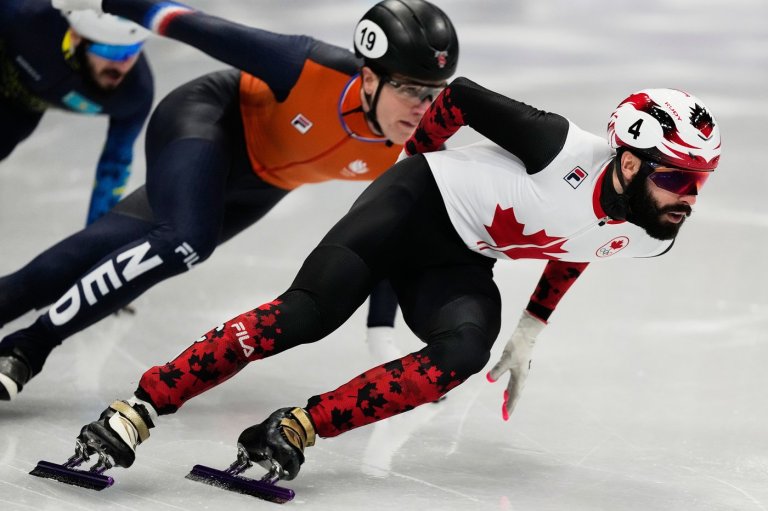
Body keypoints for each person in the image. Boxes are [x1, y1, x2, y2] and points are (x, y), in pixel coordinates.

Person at [68, 79, 721, 482]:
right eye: (676, 178)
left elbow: (588, 241)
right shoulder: (556, 145)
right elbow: (460, 95)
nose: (688, 197)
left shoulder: (650, 228)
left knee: (463, 351)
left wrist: (532, 325)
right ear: (628, 161)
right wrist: (413, 166)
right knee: (306, 315)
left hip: (460, 257)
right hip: (411, 203)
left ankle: (294, 427)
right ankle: (140, 407)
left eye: (699, 183)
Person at [0, 0, 459, 401]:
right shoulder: (306, 65)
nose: (424, 108)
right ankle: (27, 348)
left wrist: (381, 334)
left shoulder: (417, 149)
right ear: (367, 79)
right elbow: (187, 22)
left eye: (434, 93)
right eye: (409, 89)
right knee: (186, 241)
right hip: (207, 121)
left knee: (106, 249)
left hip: (260, 186)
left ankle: (17, 329)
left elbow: (389, 238)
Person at [0, 0, 153, 225]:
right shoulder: (26, 17)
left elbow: (113, 169)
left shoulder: (134, 95)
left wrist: (95, 248)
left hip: (16, 115)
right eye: (110, 50)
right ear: (75, 37)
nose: (121, 65)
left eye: (132, 50)